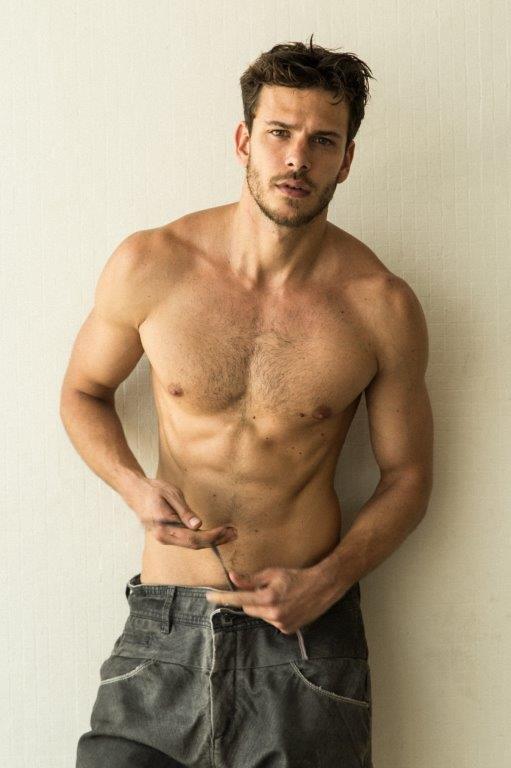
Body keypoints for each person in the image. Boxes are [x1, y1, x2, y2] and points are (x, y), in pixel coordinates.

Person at [62, 34, 433, 768]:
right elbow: (83, 391)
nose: (297, 158)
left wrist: (328, 581)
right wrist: (133, 486)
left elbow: (409, 477)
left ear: (346, 160)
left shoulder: (380, 305)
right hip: (163, 629)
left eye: (322, 141)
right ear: (244, 141)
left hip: (304, 641)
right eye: (279, 133)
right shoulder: (152, 264)